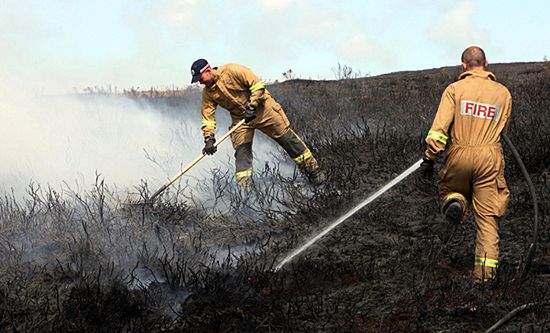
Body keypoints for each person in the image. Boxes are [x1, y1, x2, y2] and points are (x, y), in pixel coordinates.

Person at [419, 46, 512, 283]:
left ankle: (456, 202)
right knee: (488, 220)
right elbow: (503, 128)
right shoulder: (503, 93)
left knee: (451, 190)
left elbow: (439, 131)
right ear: (486, 63)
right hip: (490, 157)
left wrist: (430, 158)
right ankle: (484, 279)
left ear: (463, 65)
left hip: (459, 154)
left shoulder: (454, 90)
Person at [190, 59, 324, 187]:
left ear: (207, 70)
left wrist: (252, 105)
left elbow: (258, 85)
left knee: (288, 141)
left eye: (200, 78)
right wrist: (209, 138)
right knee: (242, 153)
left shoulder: (233, 70)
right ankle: (245, 193)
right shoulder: (208, 93)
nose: (200, 82)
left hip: (263, 110)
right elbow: (208, 117)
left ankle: (314, 173)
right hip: (241, 120)